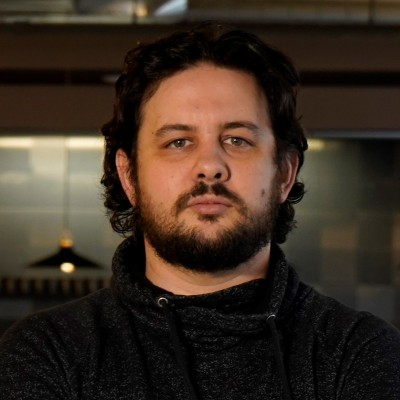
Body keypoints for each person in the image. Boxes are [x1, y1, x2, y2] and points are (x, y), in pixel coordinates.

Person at [1, 23, 400, 400]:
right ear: (129, 176)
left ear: (284, 174)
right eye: (178, 142)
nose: (210, 166)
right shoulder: (46, 352)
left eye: (237, 139)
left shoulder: (361, 351)